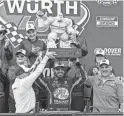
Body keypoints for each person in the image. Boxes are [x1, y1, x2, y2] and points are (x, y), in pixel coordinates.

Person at [0, 24, 13, 113]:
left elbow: (10, 57)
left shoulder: (7, 43)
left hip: (5, 72)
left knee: (6, 93)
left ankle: (4, 112)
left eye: (4, 32)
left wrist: (6, 48)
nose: (2, 34)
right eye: (0, 32)